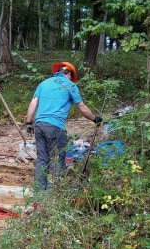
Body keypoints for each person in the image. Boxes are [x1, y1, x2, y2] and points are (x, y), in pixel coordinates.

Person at [25, 61, 102, 190]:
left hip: (39, 125)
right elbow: (82, 109)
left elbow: (33, 103)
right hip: (54, 126)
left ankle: (40, 189)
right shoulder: (70, 86)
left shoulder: (43, 83)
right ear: (69, 74)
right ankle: (56, 190)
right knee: (58, 157)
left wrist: (28, 123)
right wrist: (95, 119)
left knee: (42, 158)